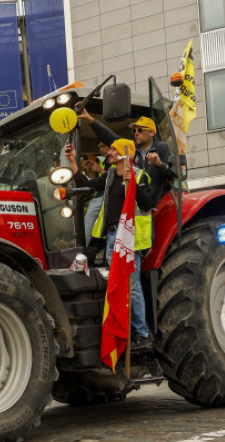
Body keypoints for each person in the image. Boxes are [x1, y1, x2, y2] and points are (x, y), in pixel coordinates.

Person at [65, 139, 157, 349]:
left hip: (130, 238)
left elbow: (147, 203)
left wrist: (132, 182)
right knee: (115, 285)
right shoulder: (109, 176)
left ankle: (141, 334)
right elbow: (87, 185)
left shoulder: (140, 175)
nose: (110, 152)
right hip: (111, 236)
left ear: (127, 154)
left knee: (132, 286)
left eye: (115, 149)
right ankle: (121, 330)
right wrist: (72, 163)